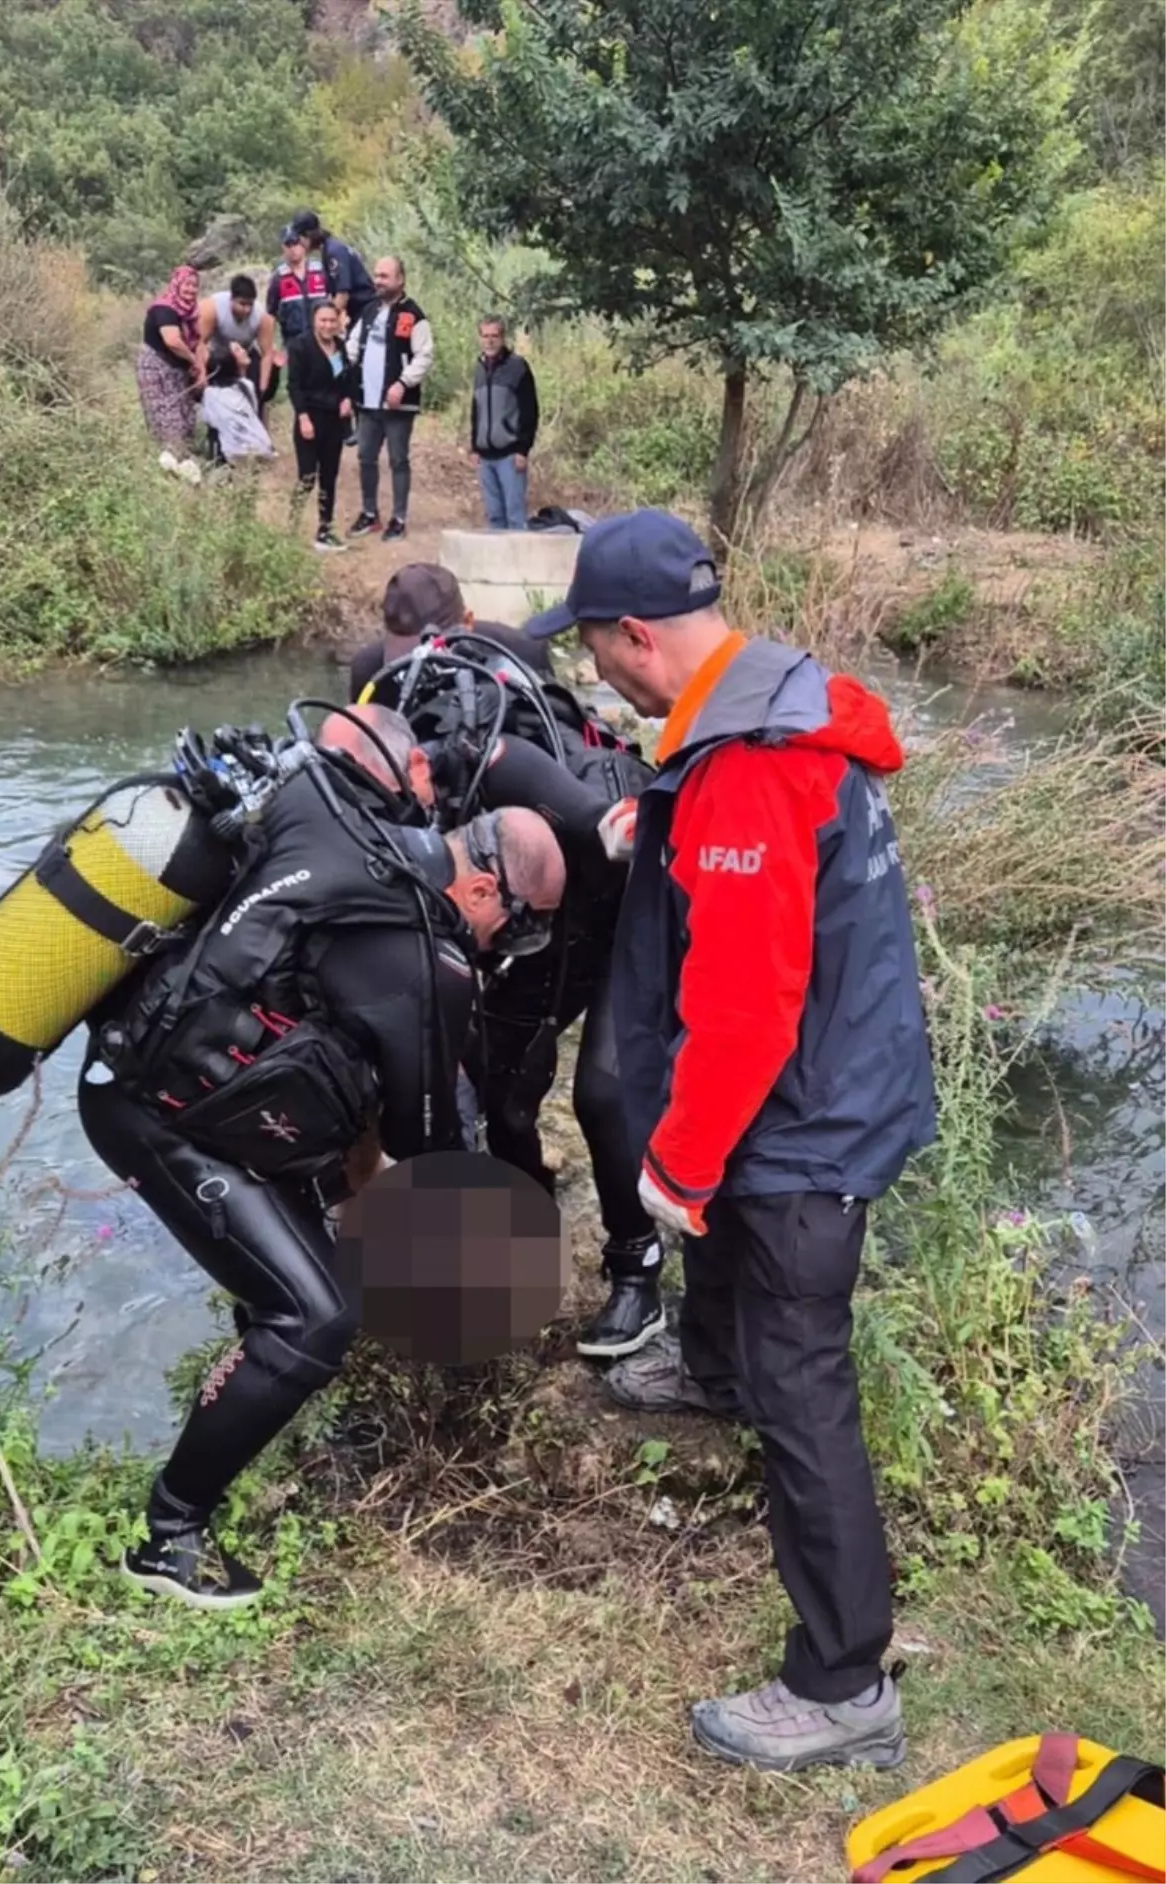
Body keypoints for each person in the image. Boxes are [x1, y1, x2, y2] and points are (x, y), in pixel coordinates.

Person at [525, 508, 937, 1773]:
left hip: (805, 1125)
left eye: (591, 646)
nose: (590, 667)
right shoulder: (768, 706)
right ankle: (707, 1371)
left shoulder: (752, 764)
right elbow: (766, 868)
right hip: (825, 1083)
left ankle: (842, 1681)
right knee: (724, 1268)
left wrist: (679, 1160)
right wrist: (675, 829)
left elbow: (750, 1007)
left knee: (804, 1383)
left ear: (636, 635)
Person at [79, 752, 567, 1610]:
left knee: (301, 1277)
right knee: (313, 1315)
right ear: (483, 891)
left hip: (175, 1085)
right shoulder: (431, 963)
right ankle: (168, 1535)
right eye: (520, 929)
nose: (508, 950)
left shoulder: (362, 850)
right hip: (155, 1114)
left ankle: (253, 1412)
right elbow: (426, 1146)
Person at [370, 632, 666, 1357]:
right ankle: (513, 1235)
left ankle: (638, 1270)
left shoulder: (506, 769)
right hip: (522, 909)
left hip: (621, 895)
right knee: (501, 1088)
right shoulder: (382, 786)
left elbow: (628, 842)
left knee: (603, 1091)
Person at [347, 563, 552, 704]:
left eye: (432, 650)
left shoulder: (520, 654)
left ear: (468, 622)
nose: (416, 668)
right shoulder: (371, 671)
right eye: (404, 657)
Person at [346, 257, 433, 542]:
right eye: (376, 275)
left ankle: (399, 518)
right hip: (367, 403)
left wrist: (402, 383)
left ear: (400, 279)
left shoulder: (413, 315)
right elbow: (351, 348)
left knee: (398, 459)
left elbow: (424, 356)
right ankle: (370, 514)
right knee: (366, 457)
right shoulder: (369, 311)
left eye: (385, 276)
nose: (378, 280)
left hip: (398, 404)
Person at [288, 302, 353, 552]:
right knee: (307, 476)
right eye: (323, 320)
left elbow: (346, 378)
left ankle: (325, 529)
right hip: (310, 417)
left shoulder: (339, 347)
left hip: (334, 420)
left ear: (337, 322)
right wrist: (303, 417)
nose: (327, 325)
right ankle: (291, 528)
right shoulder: (301, 346)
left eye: (331, 321)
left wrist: (347, 399)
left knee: (329, 476)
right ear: (314, 321)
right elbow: (294, 386)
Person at [471, 316, 539, 532]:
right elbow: (476, 409)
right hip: (486, 456)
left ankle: (520, 565)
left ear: (503, 338)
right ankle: (495, 565)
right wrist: (475, 446)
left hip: (510, 455)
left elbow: (530, 410)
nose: (490, 341)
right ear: (480, 338)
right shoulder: (479, 368)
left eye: (495, 336)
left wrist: (523, 449)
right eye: (485, 336)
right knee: (494, 517)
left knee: (515, 517)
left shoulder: (517, 367)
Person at [136, 264, 203, 481]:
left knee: (185, 417)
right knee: (166, 416)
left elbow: (200, 340)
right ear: (176, 284)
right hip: (156, 368)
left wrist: (199, 367)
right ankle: (171, 470)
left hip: (178, 371)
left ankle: (182, 465)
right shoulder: (164, 309)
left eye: (195, 285)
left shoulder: (191, 312)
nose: (191, 289)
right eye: (187, 284)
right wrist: (193, 360)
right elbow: (173, 341)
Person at [198, 275, 276, 412]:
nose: (246, 310)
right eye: (242, 304)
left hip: (247, 353)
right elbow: (199, 343)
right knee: (221, 400)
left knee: (253, 395)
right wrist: (202, 375)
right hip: (218, 354)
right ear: (231, 299)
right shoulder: (212, 307)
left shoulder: (262, 316)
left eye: (250, 305)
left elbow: (267, 354)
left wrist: (262, 388)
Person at [287, 210, 374, 329]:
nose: (298, 244)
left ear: (308, 236)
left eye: (299, 238)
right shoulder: (327, 250)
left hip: (365, 311)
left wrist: (329, 323)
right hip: (358, 313)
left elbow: (342, 294)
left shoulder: (334, 251)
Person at [265, 226, 333, 368]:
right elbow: (270, 316)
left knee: (336, 375)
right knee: (299, 384)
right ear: (282, 247)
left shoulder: (321, 271)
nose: (292, 248)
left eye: (295, 243)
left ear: (303, 245)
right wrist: (270, 347)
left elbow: (337, 302)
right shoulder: (278, 279)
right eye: (288, 244)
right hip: (294, 343)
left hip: (326, 339)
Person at [200, 339, 275, 465]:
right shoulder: (247, 386)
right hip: (261, 447)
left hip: (233, 451)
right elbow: (254, 413)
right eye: (237, 350)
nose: (244, 351)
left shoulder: (210, 393)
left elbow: (209, 419)